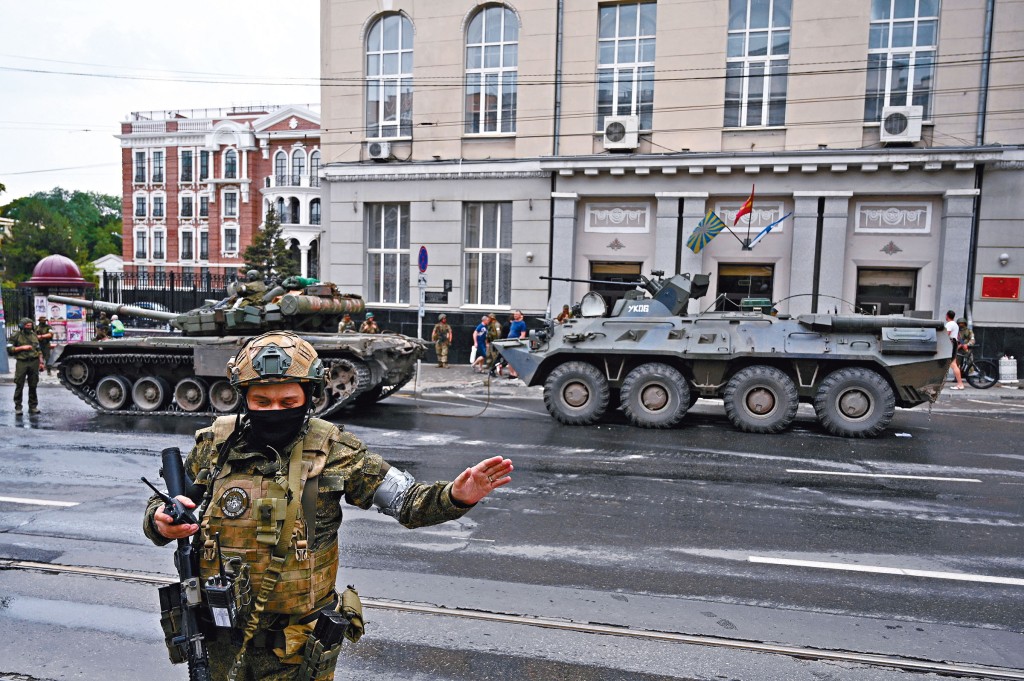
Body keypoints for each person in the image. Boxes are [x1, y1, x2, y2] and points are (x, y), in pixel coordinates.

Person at [142, 332, 513, 680]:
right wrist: (159, 522)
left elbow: (407, 501)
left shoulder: (334, 450)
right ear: (245, 398)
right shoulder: (215, 447)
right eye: (261, 401)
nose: (274, 410)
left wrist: (455, 496)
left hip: (296, 653)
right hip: (217, 641)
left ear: (309, 397)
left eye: (288, 402)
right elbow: (169, 505)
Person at [10, 317, 45, 415]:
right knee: (19, 384)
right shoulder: (16, 335)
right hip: (22, 362)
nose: (29, 327)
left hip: (34, 362)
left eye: (30, 325)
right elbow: (9, 348)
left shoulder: (34, 335)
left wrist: (41, 363)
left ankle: (33, 406)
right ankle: (18, 407)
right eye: (27, 325)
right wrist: (21, 348)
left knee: (33, 385)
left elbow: (38, 350)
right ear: (22, 326)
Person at [944, 310, 965, 390]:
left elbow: (946, 335)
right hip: (954, 343)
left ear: (947, 315)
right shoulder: (955, 324)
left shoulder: (949, 324)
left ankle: (960, 384)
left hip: (951, 344)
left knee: (953, 364)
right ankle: (960, 384)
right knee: (952, 364)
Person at [504, 310, 528, 379]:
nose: (515, 316)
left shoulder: (522, 323)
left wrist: (517, 342)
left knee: (515, 359)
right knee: (509, 359)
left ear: (520, 315)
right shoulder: (513, 322)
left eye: (517, 315)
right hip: (509, 342)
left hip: (515, 343)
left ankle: (515, 374)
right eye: (514, 314)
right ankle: (512, 373)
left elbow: (523, 335)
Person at [485, 313, 503, 377]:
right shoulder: (490, 325)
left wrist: (496, 343)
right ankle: (490, 370)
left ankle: (493, 370)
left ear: (492, 318)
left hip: (495, 343)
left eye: (489, 318)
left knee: (495, 357)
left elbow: (498, 334)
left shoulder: (496, 324)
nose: (488, 319)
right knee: (489, 356)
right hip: (491, 342)